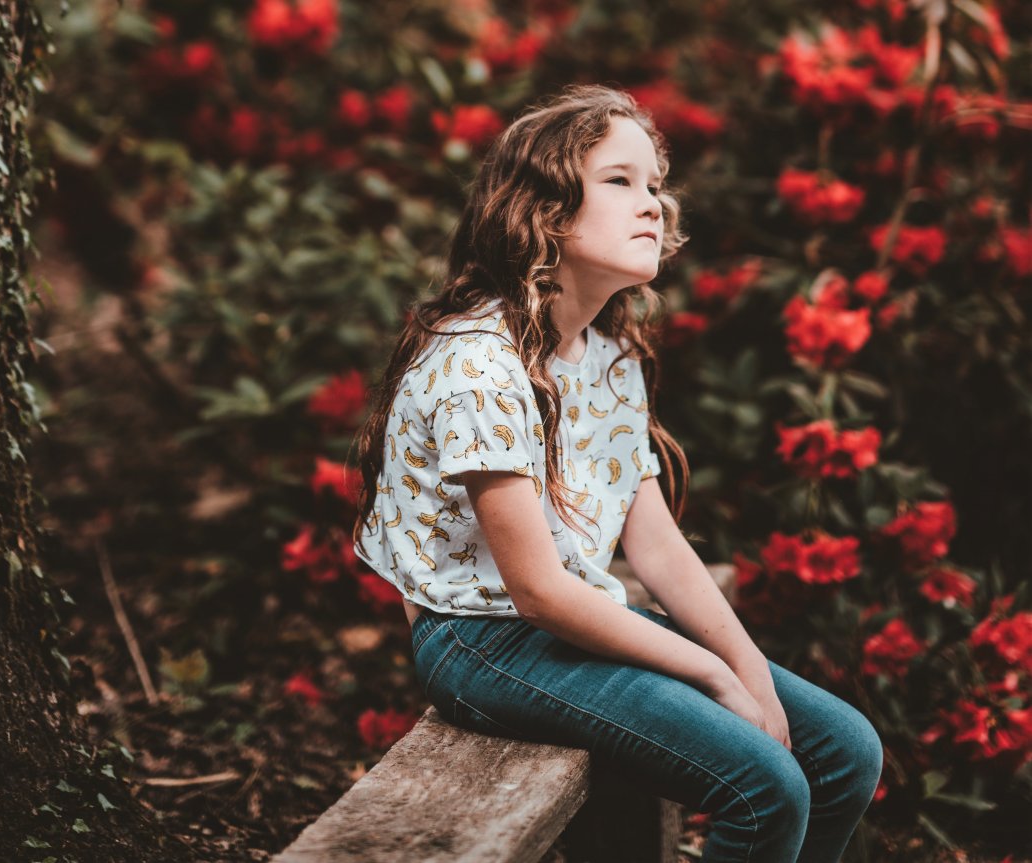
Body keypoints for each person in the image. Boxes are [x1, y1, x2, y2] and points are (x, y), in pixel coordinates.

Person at [350, 83, 883, 862]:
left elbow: (657, 546)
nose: (653, 206)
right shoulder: (478, 364)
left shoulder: (608, 355)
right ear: (546, 210)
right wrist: (713, 675)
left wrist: (746, 669)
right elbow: (534, 590)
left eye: (657, 187)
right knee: (766, 787)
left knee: (845, 754)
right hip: (480, 642)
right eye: (620, 181)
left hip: (573, 618)